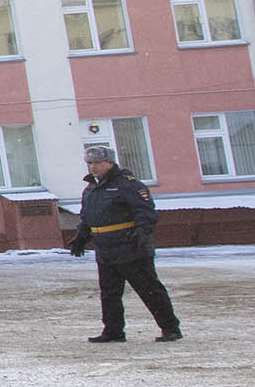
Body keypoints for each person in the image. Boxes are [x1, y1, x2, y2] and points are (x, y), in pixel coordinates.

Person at [69, 142, 183, 343]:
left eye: (97, 162)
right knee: (109, 294)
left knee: (149, 290)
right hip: (105, 249)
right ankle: (113, 331)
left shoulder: (127, 184)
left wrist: (141, 234)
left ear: (110, 163)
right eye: (89, 163)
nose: (92, 167)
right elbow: (87, 216)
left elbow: (145, 212)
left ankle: (170, 328)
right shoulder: (91, 189)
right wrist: (81, 237)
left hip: (130, 247)